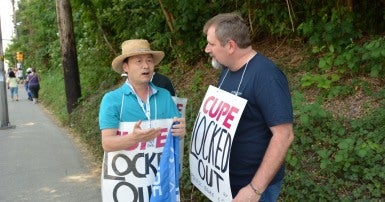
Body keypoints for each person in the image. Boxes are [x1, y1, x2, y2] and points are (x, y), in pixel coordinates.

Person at [203, 13, 294, 202]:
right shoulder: (227, 71)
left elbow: (284, 135)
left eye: (211, 44)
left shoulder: (267, 76)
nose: (206, 49)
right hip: (224, 182)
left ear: (230, 46)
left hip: (251, 186)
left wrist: (255, 189)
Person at [98, 39, 186, 197]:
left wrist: (181, 132)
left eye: (149, 61)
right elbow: (107, 143)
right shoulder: (112, 100)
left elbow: (176, 135)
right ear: (126, 67)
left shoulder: (165, 96)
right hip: (128, 188)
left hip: (161, 186)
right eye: (138, 61)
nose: (146, 66)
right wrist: (134, 138)